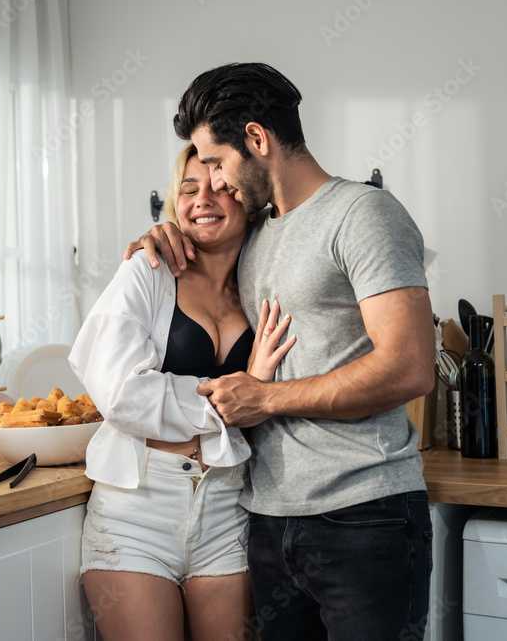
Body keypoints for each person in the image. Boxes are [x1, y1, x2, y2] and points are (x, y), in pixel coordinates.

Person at [126, 63, 437, 640]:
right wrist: (158, 237)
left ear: (256, 139)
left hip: (365, 515)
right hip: (267, 521)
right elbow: (198, 243)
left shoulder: (364, 214)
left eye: (217, 162)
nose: (214, 181)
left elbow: (410, 366)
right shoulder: (258, 234)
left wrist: (266, 399)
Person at [69, 143, 296, 641]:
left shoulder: (263, 285)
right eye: (188, 189)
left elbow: (276, 397)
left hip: (226, 509)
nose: (202, 200)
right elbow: (122, 394)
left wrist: (256, 397)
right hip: (135, 513)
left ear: (247, 196)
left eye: (219, 187)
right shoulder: (147, 271)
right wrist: (241, 396)